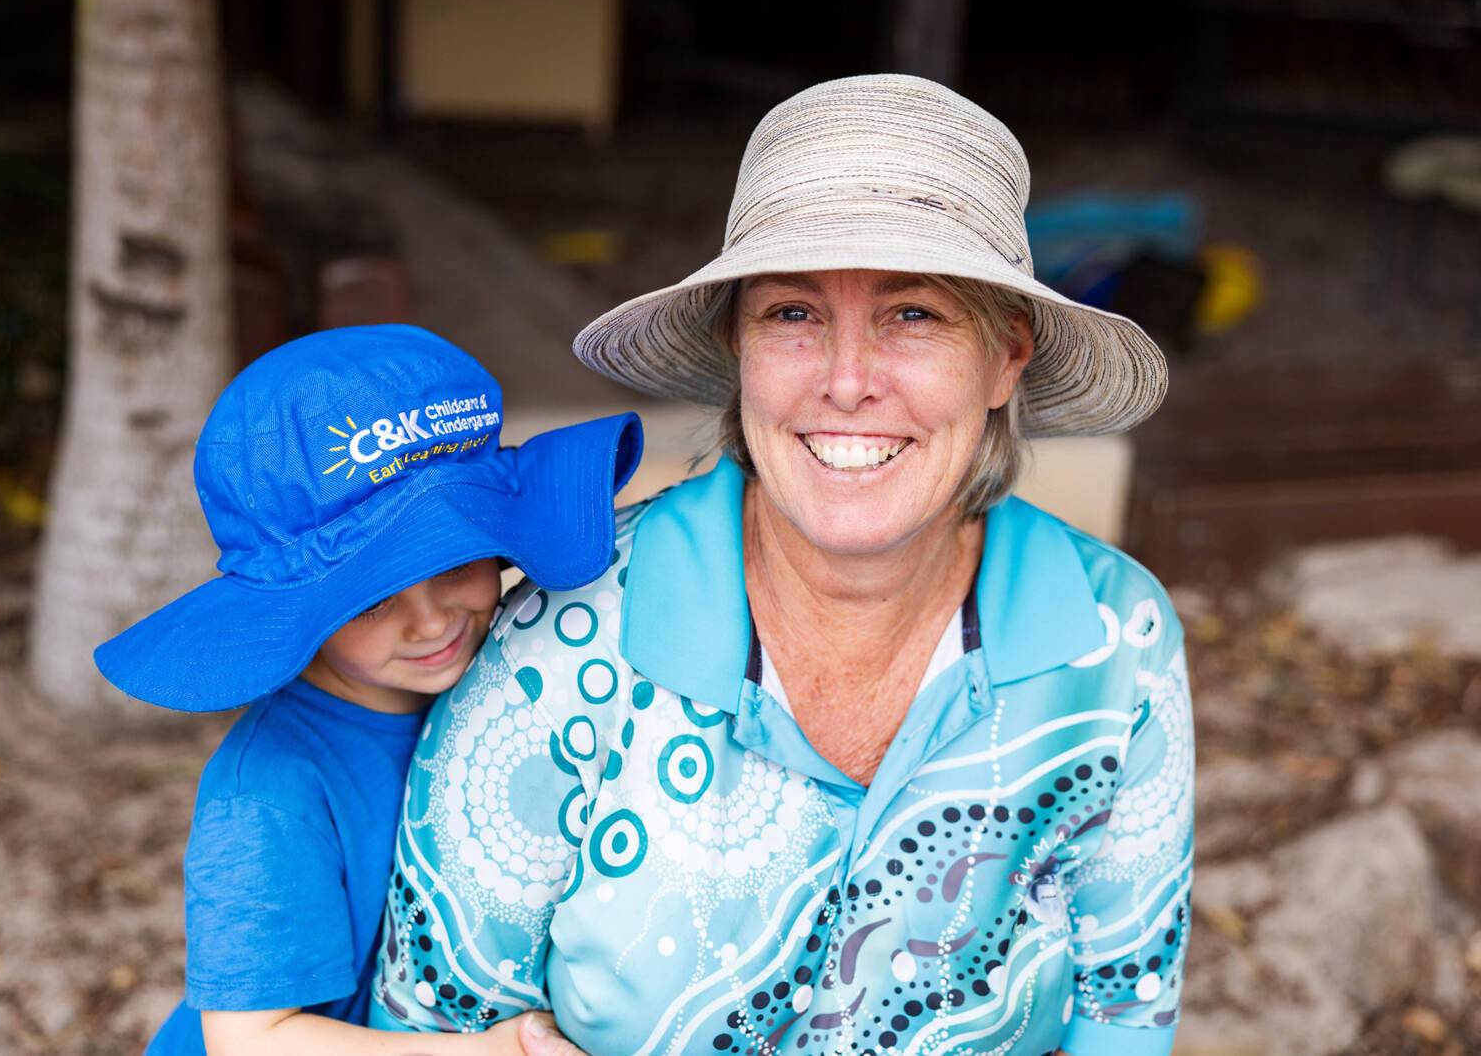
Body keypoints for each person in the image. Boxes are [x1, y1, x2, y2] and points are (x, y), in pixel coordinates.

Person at [372, 75, 1194, 1056]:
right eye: (793, 314)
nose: (847, 381)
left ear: (1005, 356)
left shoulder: (1111, 636)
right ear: (738, 348)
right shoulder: (569, 632)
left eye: (914, 315)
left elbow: (1122, 1010)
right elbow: (436, 1021)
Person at [94, 325, 639, 1056]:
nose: (432, 618)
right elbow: (249, 1040)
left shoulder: (515, 662)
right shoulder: (267, 793)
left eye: (456, 559)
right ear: (294, 613)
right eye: (370, 599)